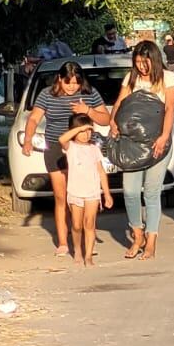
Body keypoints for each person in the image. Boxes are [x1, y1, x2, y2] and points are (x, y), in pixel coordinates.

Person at [21, 61, 110, 257]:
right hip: (56, 148)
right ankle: (63, 242)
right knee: (62, 197)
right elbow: (34, 118)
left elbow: (106, 119)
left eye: (76, 83)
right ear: (60, 79)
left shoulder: (89, 94)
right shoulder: (46, 94)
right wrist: (28, 139)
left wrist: (87, 111)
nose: (72, 87)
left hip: (84, 151)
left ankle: (87, 239)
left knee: (83, 197)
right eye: (68, 82)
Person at [112, 40, 174, 261]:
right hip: (132, 144)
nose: (141, 66)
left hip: (157, 143)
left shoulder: (167, 78)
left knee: (151, 192)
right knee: (130, 191)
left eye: (145, 61)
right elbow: (120, 102)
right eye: (138, 62)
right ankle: (137, 234)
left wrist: (164, 136)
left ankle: (151, 242)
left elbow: (170, 107)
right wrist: (113, 122)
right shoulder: (131, 78)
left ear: (155, 59)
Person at [59, 114, 114, 267]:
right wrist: (79, 128)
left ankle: (89, 255)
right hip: (75, 191)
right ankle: (77, 249)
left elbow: (101, 172)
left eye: (89, 131)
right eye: (82, 131)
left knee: (89, 223)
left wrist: (107, 194)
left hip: (92, 192)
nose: (86, 134)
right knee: (77, 225)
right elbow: (62, 140)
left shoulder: (94, 149)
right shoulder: (71, 147)